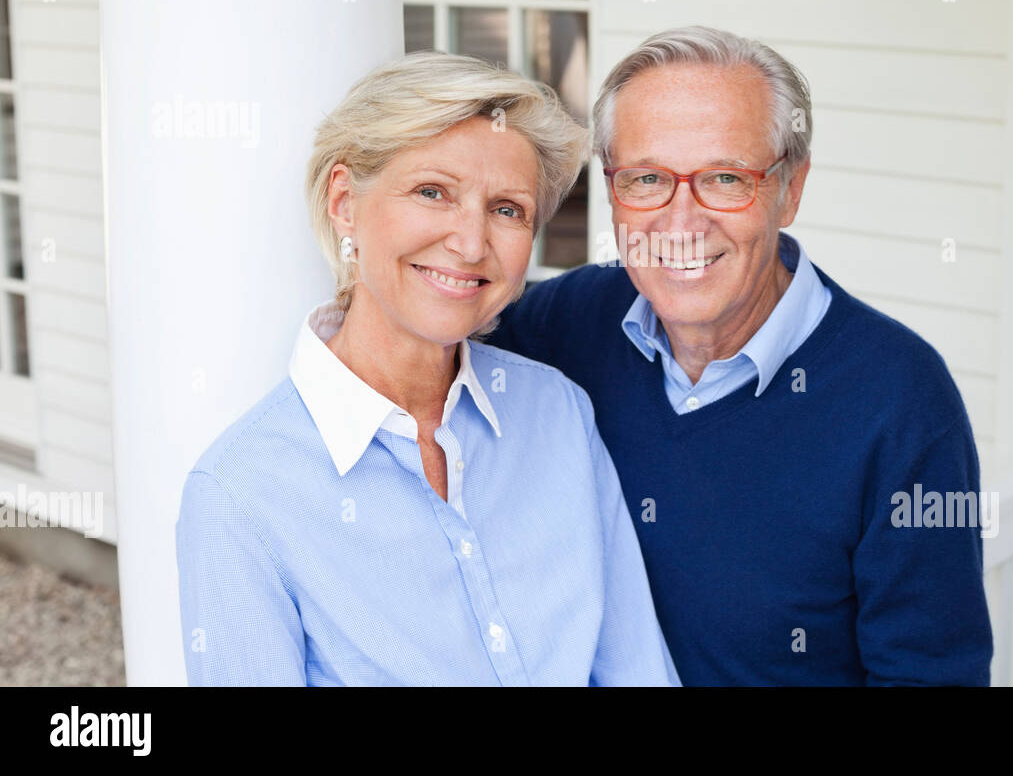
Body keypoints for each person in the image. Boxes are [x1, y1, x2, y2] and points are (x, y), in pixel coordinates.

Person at [485, 26, 994, 685]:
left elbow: (932, 676)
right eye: (646, 178)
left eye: (726, 178)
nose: (682, 221)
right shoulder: (570, 324)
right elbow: (425, 376)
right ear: (611, 190)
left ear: (790, 189)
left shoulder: (900, 401)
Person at [174, 51, 678, 686]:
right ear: (344, 203)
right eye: (433, 192)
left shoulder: (559, 412)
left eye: (507, 209)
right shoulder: (241, 494)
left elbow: (637, 673)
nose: (471, 244)